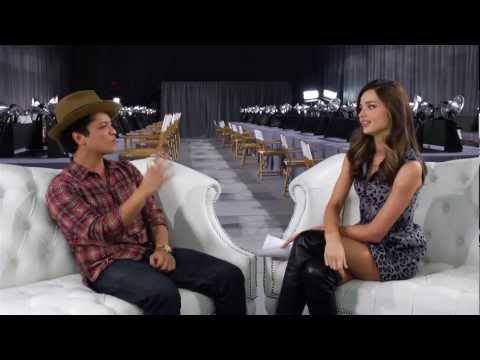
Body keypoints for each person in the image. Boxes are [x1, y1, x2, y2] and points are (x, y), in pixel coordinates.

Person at [46, 90, 246, 315]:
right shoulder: (63, 187)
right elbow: (98, 231)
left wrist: (163, 247)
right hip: (107, 266)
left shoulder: (125, 170)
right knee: (163, 294)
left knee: (229, 276)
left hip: (147, 252)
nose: (114, 131)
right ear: (79, 138)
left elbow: (154, 215)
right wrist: (142, 191)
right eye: (103, 127)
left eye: (111, 124)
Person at [276, 80, 428, 315]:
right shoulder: (356, 155)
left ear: (393, 110)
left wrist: (331, 232)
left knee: (306, 240)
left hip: (395, 251)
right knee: (314, 274)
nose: (361, 114)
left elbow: (377, 232)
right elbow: (333, 205)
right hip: (363, 243)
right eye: (360, 108)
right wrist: (331, 233)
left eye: (371, 107)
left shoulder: (410, 167)